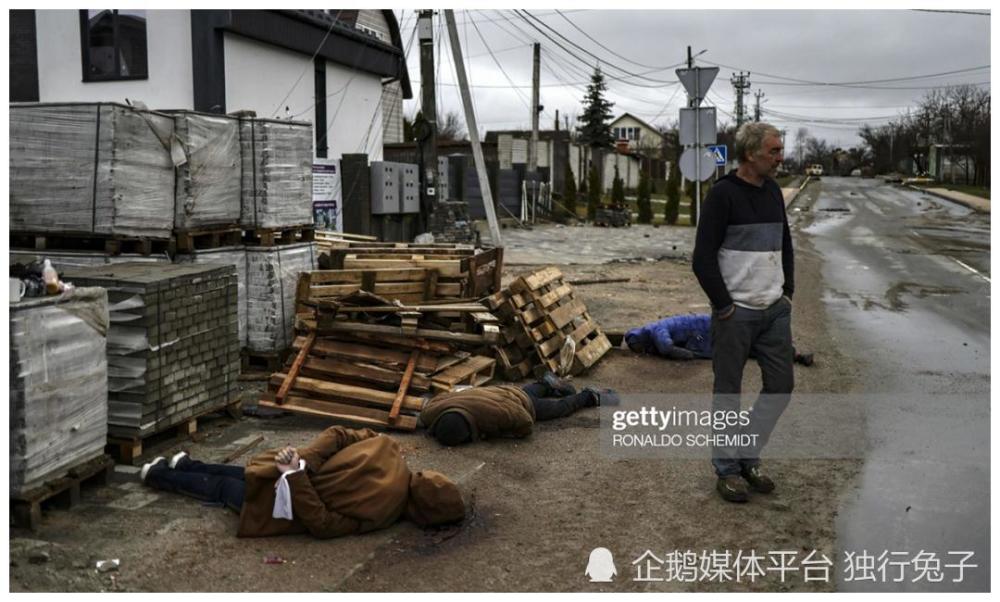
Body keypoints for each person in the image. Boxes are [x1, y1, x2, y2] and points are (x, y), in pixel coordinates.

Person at [692, 121, 795, 503]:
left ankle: (747, 453)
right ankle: (728, 470)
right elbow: (702, 259)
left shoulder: (772, 193)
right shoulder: (723, 195)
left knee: (781, 386)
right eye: (773, 151)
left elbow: (785, 243)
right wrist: (724, 306)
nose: (780, 157)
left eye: (779, 149)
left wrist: (788, 293)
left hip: (774, 311)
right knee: (728, 393)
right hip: (736, 313)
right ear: (751, 153)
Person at [140, 426, 465, 538]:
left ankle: (182, 464)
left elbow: (339, 434)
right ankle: (159, 475)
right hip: (286, 502)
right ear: (423, 514)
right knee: (226, 489)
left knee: (243, 474)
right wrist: (297, 470)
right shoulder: (385, 514)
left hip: (290, 477)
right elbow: (323, 524)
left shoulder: (388, 448)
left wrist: (304, 460)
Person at [420, 372, 620, 446]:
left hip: (518, 403)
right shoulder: (431, 412)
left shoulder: (493, 415)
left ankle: (589, 396)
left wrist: (505, 434)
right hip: (500, 390)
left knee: (560, 407)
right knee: (526, 392)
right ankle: (545, 383)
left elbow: (525, 422)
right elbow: (443, 395)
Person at [625, 313, 814, 366]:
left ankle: (795, 354)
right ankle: (794, 355)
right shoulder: (652, 332)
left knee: (752, 342)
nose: (641, 352)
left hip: (707, 332)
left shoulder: (655, 329)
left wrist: (678, 353)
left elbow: (665, 343)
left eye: (638, 348)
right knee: (749, 348)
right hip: (706, 337)